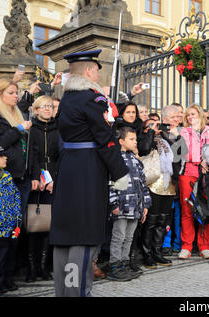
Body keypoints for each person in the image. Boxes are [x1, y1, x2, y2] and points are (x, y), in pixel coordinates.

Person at [50, 50, 129, 297]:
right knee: (84, 235)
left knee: (64, 234)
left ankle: (63, 291)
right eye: (96, 70)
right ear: (88, 72)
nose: (98, 74)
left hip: (68, 168)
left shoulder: (66, 100)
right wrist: (119, 172)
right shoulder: (93, 100)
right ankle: (78, 293)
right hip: (88, 170)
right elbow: (106, 138)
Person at [0, 79, 35, 292]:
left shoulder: (17, 113)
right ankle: (0, 278)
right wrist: (19, 129)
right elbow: (1, 142)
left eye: (16, 93)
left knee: (15, 230)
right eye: (11, 93)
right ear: (1, 94)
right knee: (2, 232)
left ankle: (9, 275)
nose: (15, 96)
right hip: (5, 181)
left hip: (21, 179)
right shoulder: (0, 117)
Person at [138, 105, 183, 267]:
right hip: (153, 184)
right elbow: (143, 150)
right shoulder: (145, 137)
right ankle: (146, 254)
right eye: (151, 125)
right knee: (151, 221)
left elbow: (180, 155)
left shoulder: (169, 136)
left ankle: (157, 252)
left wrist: (176, 137)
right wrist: (151, 132)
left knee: (163, 221)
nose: (155, 127)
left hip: (169, 183)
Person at [178, 104, 209, 259]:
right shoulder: (183, 131)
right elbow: (184, 152)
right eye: (188, 115)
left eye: (194, 114)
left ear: (201, 116)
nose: (190, 117)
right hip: (188, 172)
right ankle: (186, 246)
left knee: (206, 209)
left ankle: (204, 245)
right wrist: (199, 158)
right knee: (187, 209)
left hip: (206, 174)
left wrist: (207, 160)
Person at [108, 127, 150, 281]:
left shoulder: (135, 161)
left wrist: (145, 205)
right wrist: (113, 204)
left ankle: (125, 264)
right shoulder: (115, 159)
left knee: (129, 237)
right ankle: (115, 265)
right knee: (119, 236)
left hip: (135, 207)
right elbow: (111, 183)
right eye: (131, 139)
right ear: (121, 141)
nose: (135, 142)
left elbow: (143, 184)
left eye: (136, 139)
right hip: (122, 205)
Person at [25, 95, 59, 282]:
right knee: (34, 223)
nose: (48, 109)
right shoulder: (32, 129)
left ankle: (44, 267)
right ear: (36, 110)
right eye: (44, 106)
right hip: (35, 180)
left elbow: (60, 155)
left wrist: (55, 179)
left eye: (50, 106)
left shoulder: (58, 129)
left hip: (53, 179)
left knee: (47, 225)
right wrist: (35, 176)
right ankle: (31, 268)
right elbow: (31, 154)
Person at [0, 144, 22, 295]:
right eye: (0, 156)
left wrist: (17, 224)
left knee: (4, 259)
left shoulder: (7, 178)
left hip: (8, 230)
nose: (5, 157)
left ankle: (2, 284)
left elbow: (16, 200)